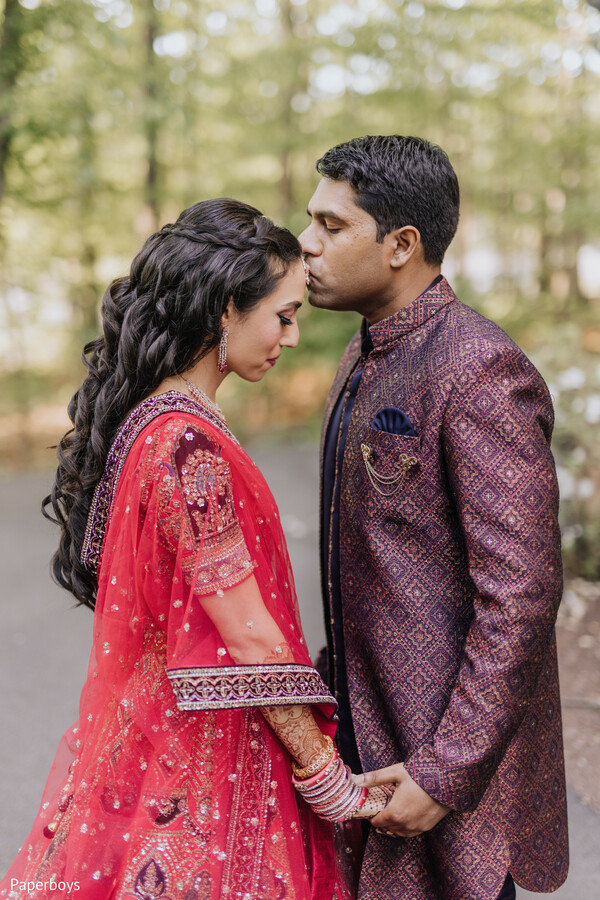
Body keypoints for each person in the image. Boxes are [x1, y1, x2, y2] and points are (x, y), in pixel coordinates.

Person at [0, 199, 387, 900]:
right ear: (225, 311)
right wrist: (328, 779)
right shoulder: (186, 445)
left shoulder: (154, 421)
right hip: (206, 758)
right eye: (283, 315)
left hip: (156, 733)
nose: (292, 336)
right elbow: (248, 634)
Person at [299, 136, 569, 900]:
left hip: (444, 770)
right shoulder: (359, 356)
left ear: (401, 245)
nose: (306, 243)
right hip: (367, 744)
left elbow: (521, 594)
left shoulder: (479, 367)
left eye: (331, 225)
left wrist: (446, 770)